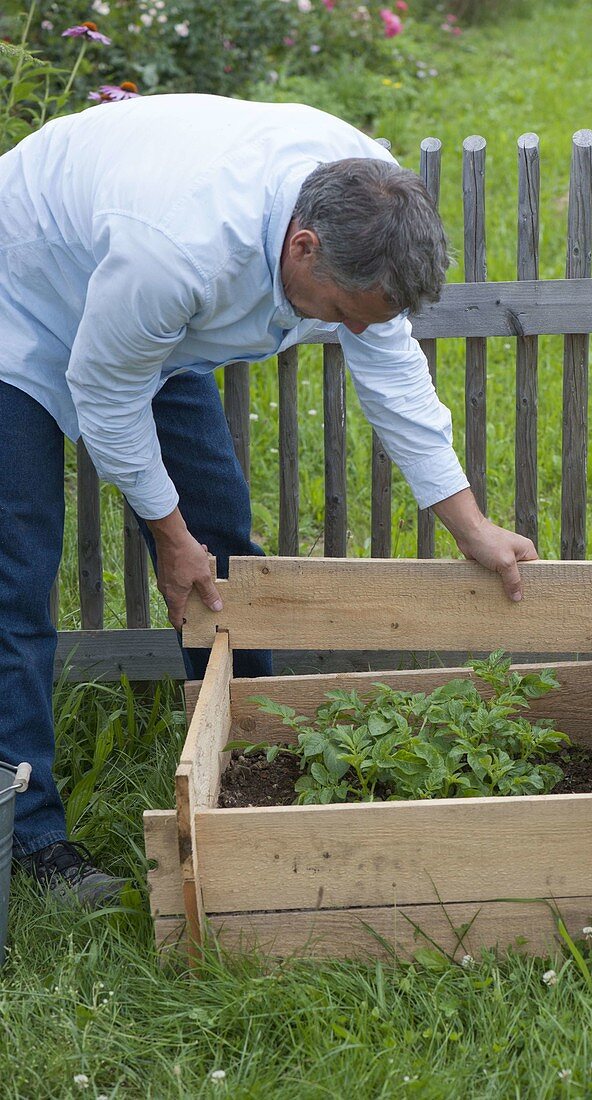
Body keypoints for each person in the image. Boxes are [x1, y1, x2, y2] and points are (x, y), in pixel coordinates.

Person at [0, 94, 538, 906]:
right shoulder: (178, 249)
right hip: (21, 286)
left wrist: (472, 528)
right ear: (303, 245)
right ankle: (31, 843)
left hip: (145, 315)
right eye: (340, 315)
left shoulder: (368, 202)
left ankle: (249, 764)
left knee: (221, 543)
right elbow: (105, 397)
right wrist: (166, 535)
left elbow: (393, 374)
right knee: (18, 575)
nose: (350, 333)